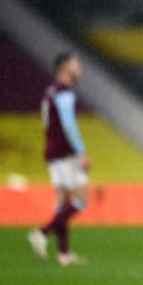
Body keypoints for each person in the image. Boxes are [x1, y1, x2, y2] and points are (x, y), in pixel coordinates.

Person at [28, 53, 89, 266]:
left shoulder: (50, 91)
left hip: (53, 152)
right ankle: (42, 233)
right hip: (65, 153)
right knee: (81, 201)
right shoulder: (64, 93)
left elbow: (49, 123)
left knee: (63, 204)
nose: (79, 66)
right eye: (76, 63)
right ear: (65, 67)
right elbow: (68, 124)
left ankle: (63, 254)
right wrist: (81, 151)